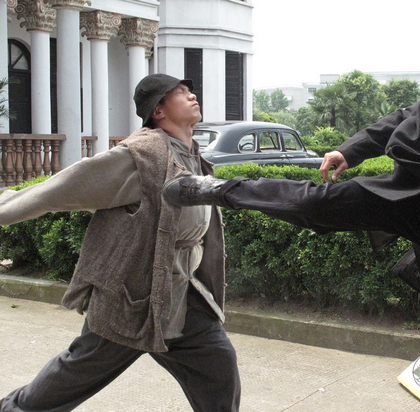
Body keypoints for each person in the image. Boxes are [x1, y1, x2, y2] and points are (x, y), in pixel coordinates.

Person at [162, 6, 420, 412]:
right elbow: (411, 116)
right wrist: (352, 150)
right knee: (317, 204)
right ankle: (218, 188)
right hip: (417, 197)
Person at [0, 74, 240, 411]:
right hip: (133, 298)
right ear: (158, 111)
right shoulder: (141, 156)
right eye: (180, 92)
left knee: (218, 366)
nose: (191, 95)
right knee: (75, 373)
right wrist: (5, 207)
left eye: (190, 90)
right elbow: (63, 188)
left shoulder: (191, 154)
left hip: (183, 297)